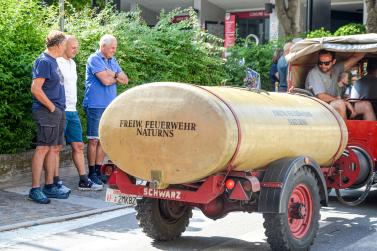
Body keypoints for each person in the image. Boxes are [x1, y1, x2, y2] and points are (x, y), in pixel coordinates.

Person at [56, 35, 103, 191]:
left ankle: (83, 180)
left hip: (72, 110)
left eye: (77, 47)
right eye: (73, 47)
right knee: (56, 148)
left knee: (78, 145)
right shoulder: (56, 62)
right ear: (64, 46)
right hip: (60, 110)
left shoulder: (73, 63)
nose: (76, 50)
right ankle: (54, 181)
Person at [30, 30, 69, 204]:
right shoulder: (44, 61)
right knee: (43, 148)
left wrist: (58, 109)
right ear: (59, 45)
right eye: (65, 44)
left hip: (57, 111)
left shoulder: (53, 61)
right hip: (47, 112)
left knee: (54, 148)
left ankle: (50, 185)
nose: (66, 48)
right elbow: (35, 89)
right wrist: (52, 107)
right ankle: (35, 189)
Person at [83, 34, 129, 185]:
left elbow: (125, 79)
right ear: (103, 46)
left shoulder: (112, 60)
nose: (114, 50)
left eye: (115, 47)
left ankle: (98, 170)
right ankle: (91, 173)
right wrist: (114, 76)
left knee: (104, 140)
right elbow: (105, 81)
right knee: (94, 140)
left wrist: (112, 73)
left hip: (109, 106)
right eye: (112, 48)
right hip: (96, 105)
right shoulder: (94, 59)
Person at [305, 50, 375, 120]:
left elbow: (355, 58)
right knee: (340, 103)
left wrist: (366, 48)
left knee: (366, 105)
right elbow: (321, 96)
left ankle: (373, 131)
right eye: (320, 63)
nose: (323, 65)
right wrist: (344, 102)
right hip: (320, 108)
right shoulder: (314, 73)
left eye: (326, 63)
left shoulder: (336, 69)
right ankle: (346, 130)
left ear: (333, 62)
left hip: (336, 105)